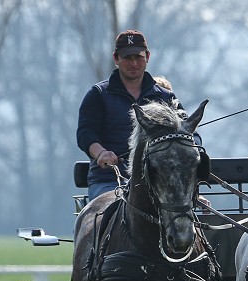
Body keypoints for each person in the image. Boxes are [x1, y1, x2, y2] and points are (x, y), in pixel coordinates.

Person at [77, 30, 181, 201]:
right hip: (110, 181)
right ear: (116, 59)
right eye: (127, 57)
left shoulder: (165, 97)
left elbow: (188, 132)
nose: (133, 63)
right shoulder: (98, 95)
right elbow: (85, 134)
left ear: (147, 56)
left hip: (159, 182)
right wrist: (101, 153)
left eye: (138, 57)